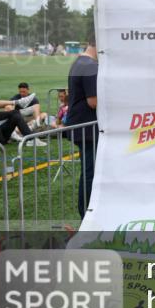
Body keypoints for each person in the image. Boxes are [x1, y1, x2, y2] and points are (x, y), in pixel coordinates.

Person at [68, 32, 98, 218]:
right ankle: (87, 213)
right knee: (90, 173)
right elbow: (93, 102)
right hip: (87, 128)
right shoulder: (90, 65)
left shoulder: (81, 62)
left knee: (89, 171)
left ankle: (86, 211)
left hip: (82, 126)